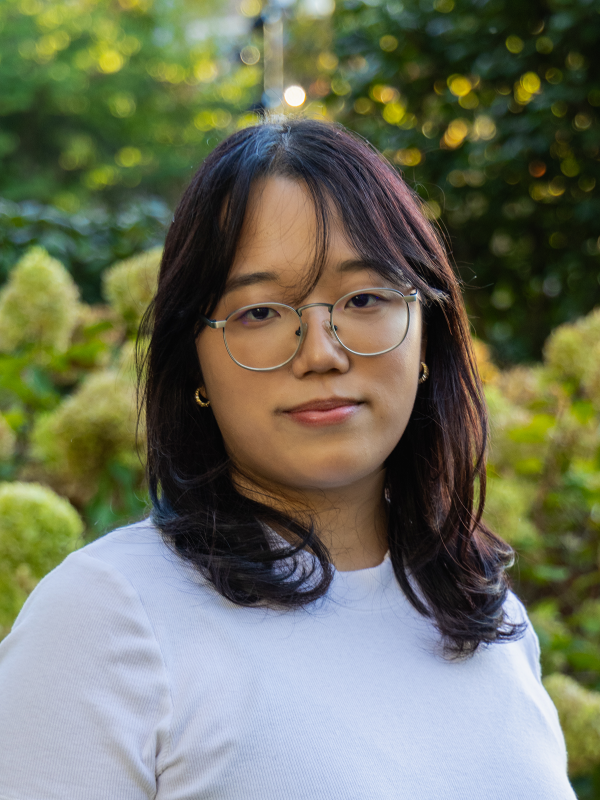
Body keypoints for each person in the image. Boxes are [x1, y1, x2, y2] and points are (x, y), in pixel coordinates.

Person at [0, 118, 576, 799]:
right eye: (261, 312)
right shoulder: (110, 617)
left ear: (430, 338)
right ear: (194, 363)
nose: (321, 353)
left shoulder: (489, 619)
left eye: (365, 298)